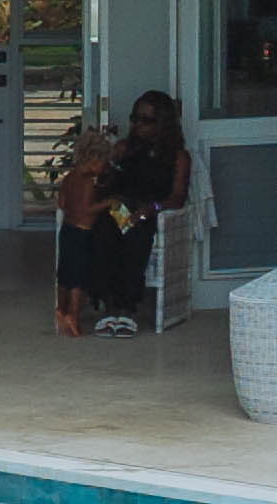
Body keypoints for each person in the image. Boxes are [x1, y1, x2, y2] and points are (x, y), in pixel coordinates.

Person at [51, 89, 195, 335]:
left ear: (162, 123)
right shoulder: (124, 148)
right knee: (103, 232)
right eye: (134, 118)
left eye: (146, 120)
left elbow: (177, 198)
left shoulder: (178, 157)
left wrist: (152, 209)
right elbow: (101, 180)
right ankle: (108, 307)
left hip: (148, 211)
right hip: (115, 206)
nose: (138, 125)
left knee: (136, 237)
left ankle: (126, 308)